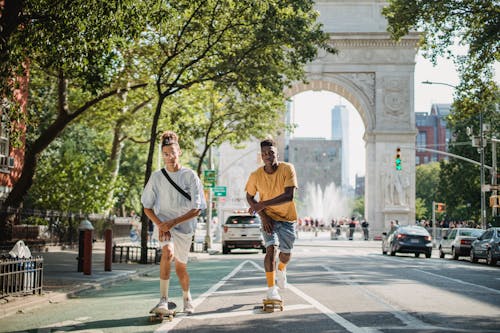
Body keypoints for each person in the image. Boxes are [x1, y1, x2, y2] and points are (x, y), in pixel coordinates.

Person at [141, 130, 207, 315]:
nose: (169, 157)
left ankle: (187, 298)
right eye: (166, 154)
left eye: (172, 153)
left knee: (180, 268)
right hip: (164, 225)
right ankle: (163, 300)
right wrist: (161, 224)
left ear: (180, 152)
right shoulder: (156, 177)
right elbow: (147, 207)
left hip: (185, 227)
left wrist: (172, 222)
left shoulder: (190, 175)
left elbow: (197, 209)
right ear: (163, 155)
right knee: (167, 252)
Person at [245, 138, 298, 302]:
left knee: (285, 254)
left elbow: (289, 196)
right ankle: (271, 289)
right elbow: (249, 196)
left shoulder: (287, 169)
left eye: (271, 153)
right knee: (271, 249)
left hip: (288, 218)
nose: (268, 156)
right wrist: (264, 215)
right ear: (261, 156)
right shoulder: (255, 175)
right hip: (269, 219)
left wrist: (262, 204)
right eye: (264, 154)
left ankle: (282, 269)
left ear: (277, 153)